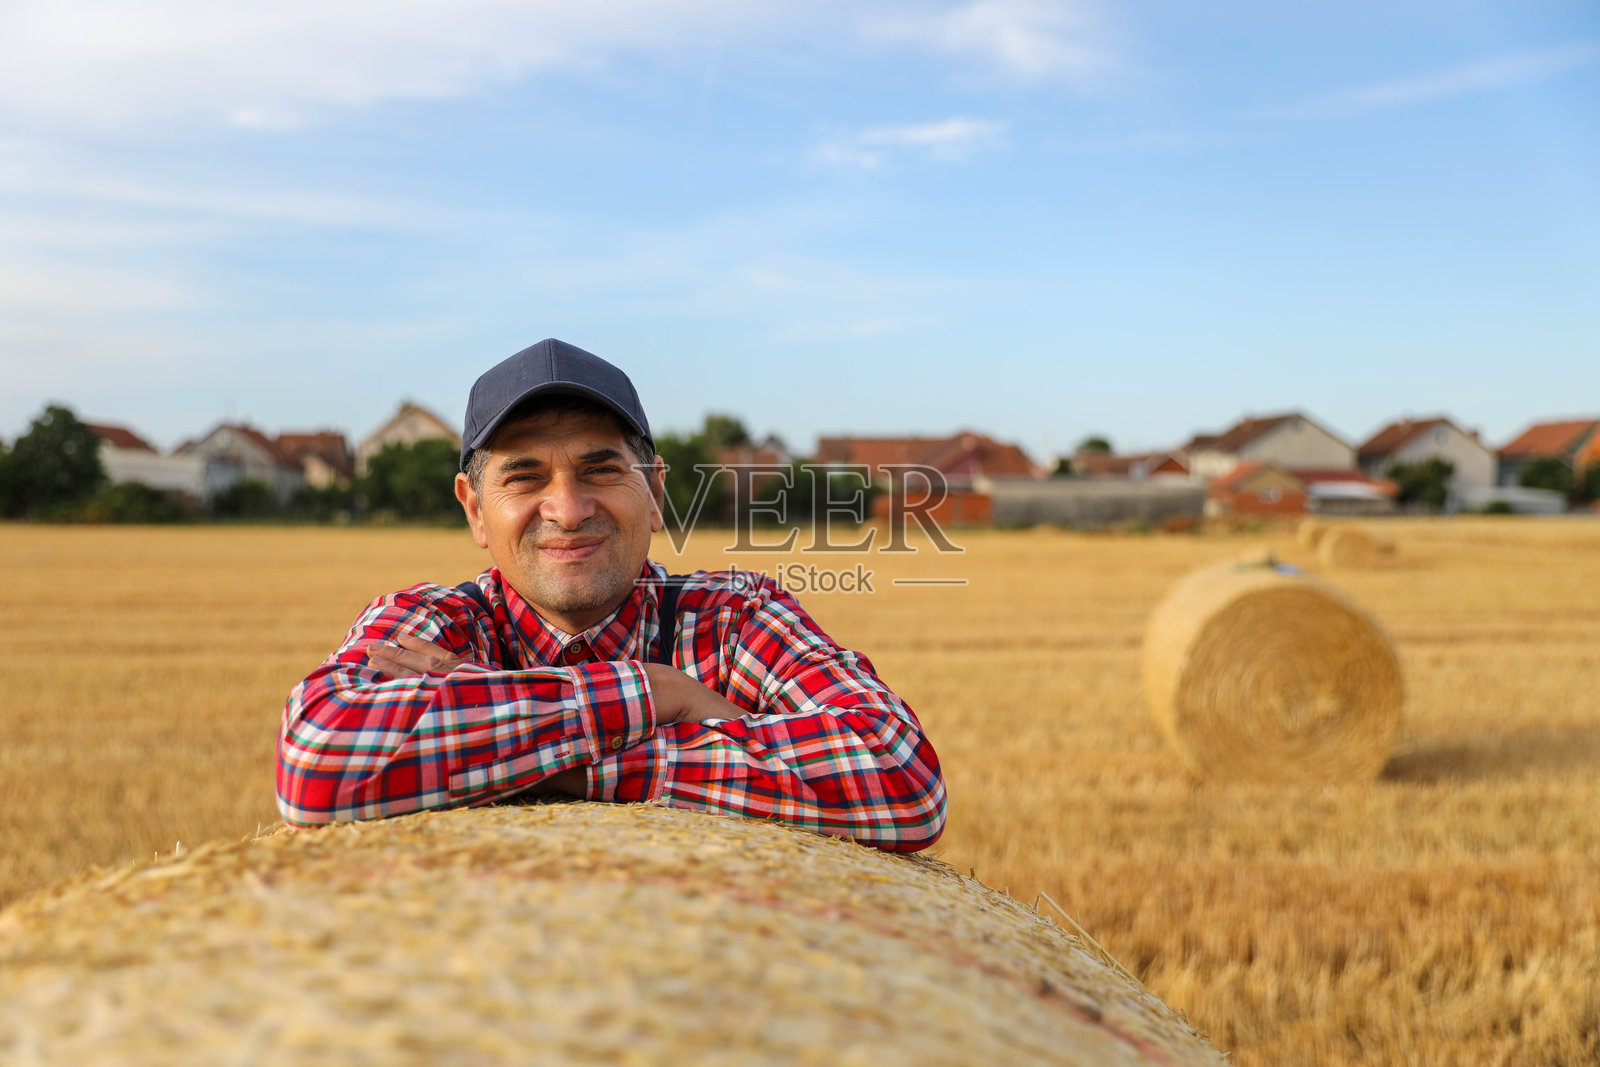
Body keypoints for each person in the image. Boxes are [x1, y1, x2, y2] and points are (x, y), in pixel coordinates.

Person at [277, 339, 946, 852]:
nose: (567, 509)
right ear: (476, 510)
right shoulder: (430, 625)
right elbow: (316, 762)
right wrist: (658, 695)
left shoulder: (737, 619)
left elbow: (900, 776)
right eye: (525, 477)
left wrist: (539, 764)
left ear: (655, 492)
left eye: (600, 469)